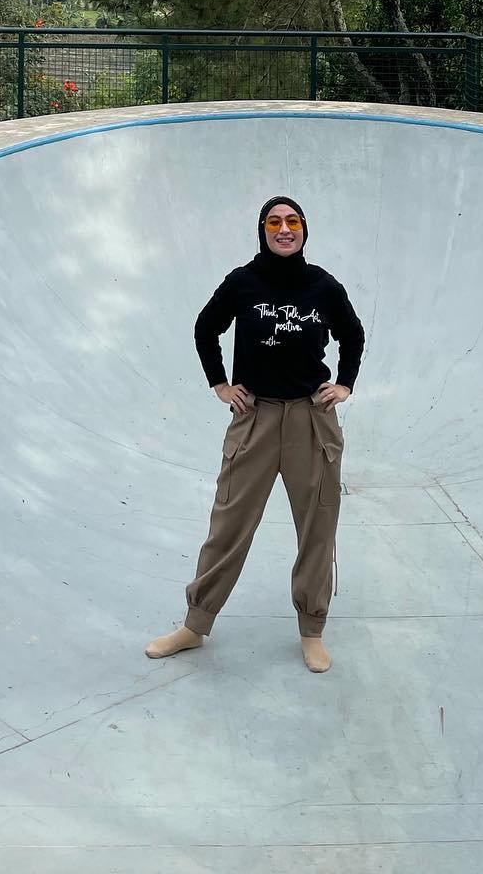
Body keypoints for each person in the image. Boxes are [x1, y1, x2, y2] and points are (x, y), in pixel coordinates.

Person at [145, 194, 365, 672]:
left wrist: (344, 382)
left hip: (311, 420)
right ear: (262, 231)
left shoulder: (323, 286)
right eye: (273, 222)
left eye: (292, 222)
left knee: (317, 528)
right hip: (256, 418)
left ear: (304, 229)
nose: (284, 229)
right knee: (228, 522)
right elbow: (206, 328)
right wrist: (220, 385)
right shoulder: (242, 282)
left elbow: (353, 333)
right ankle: (194, 625)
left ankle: (312, 630)